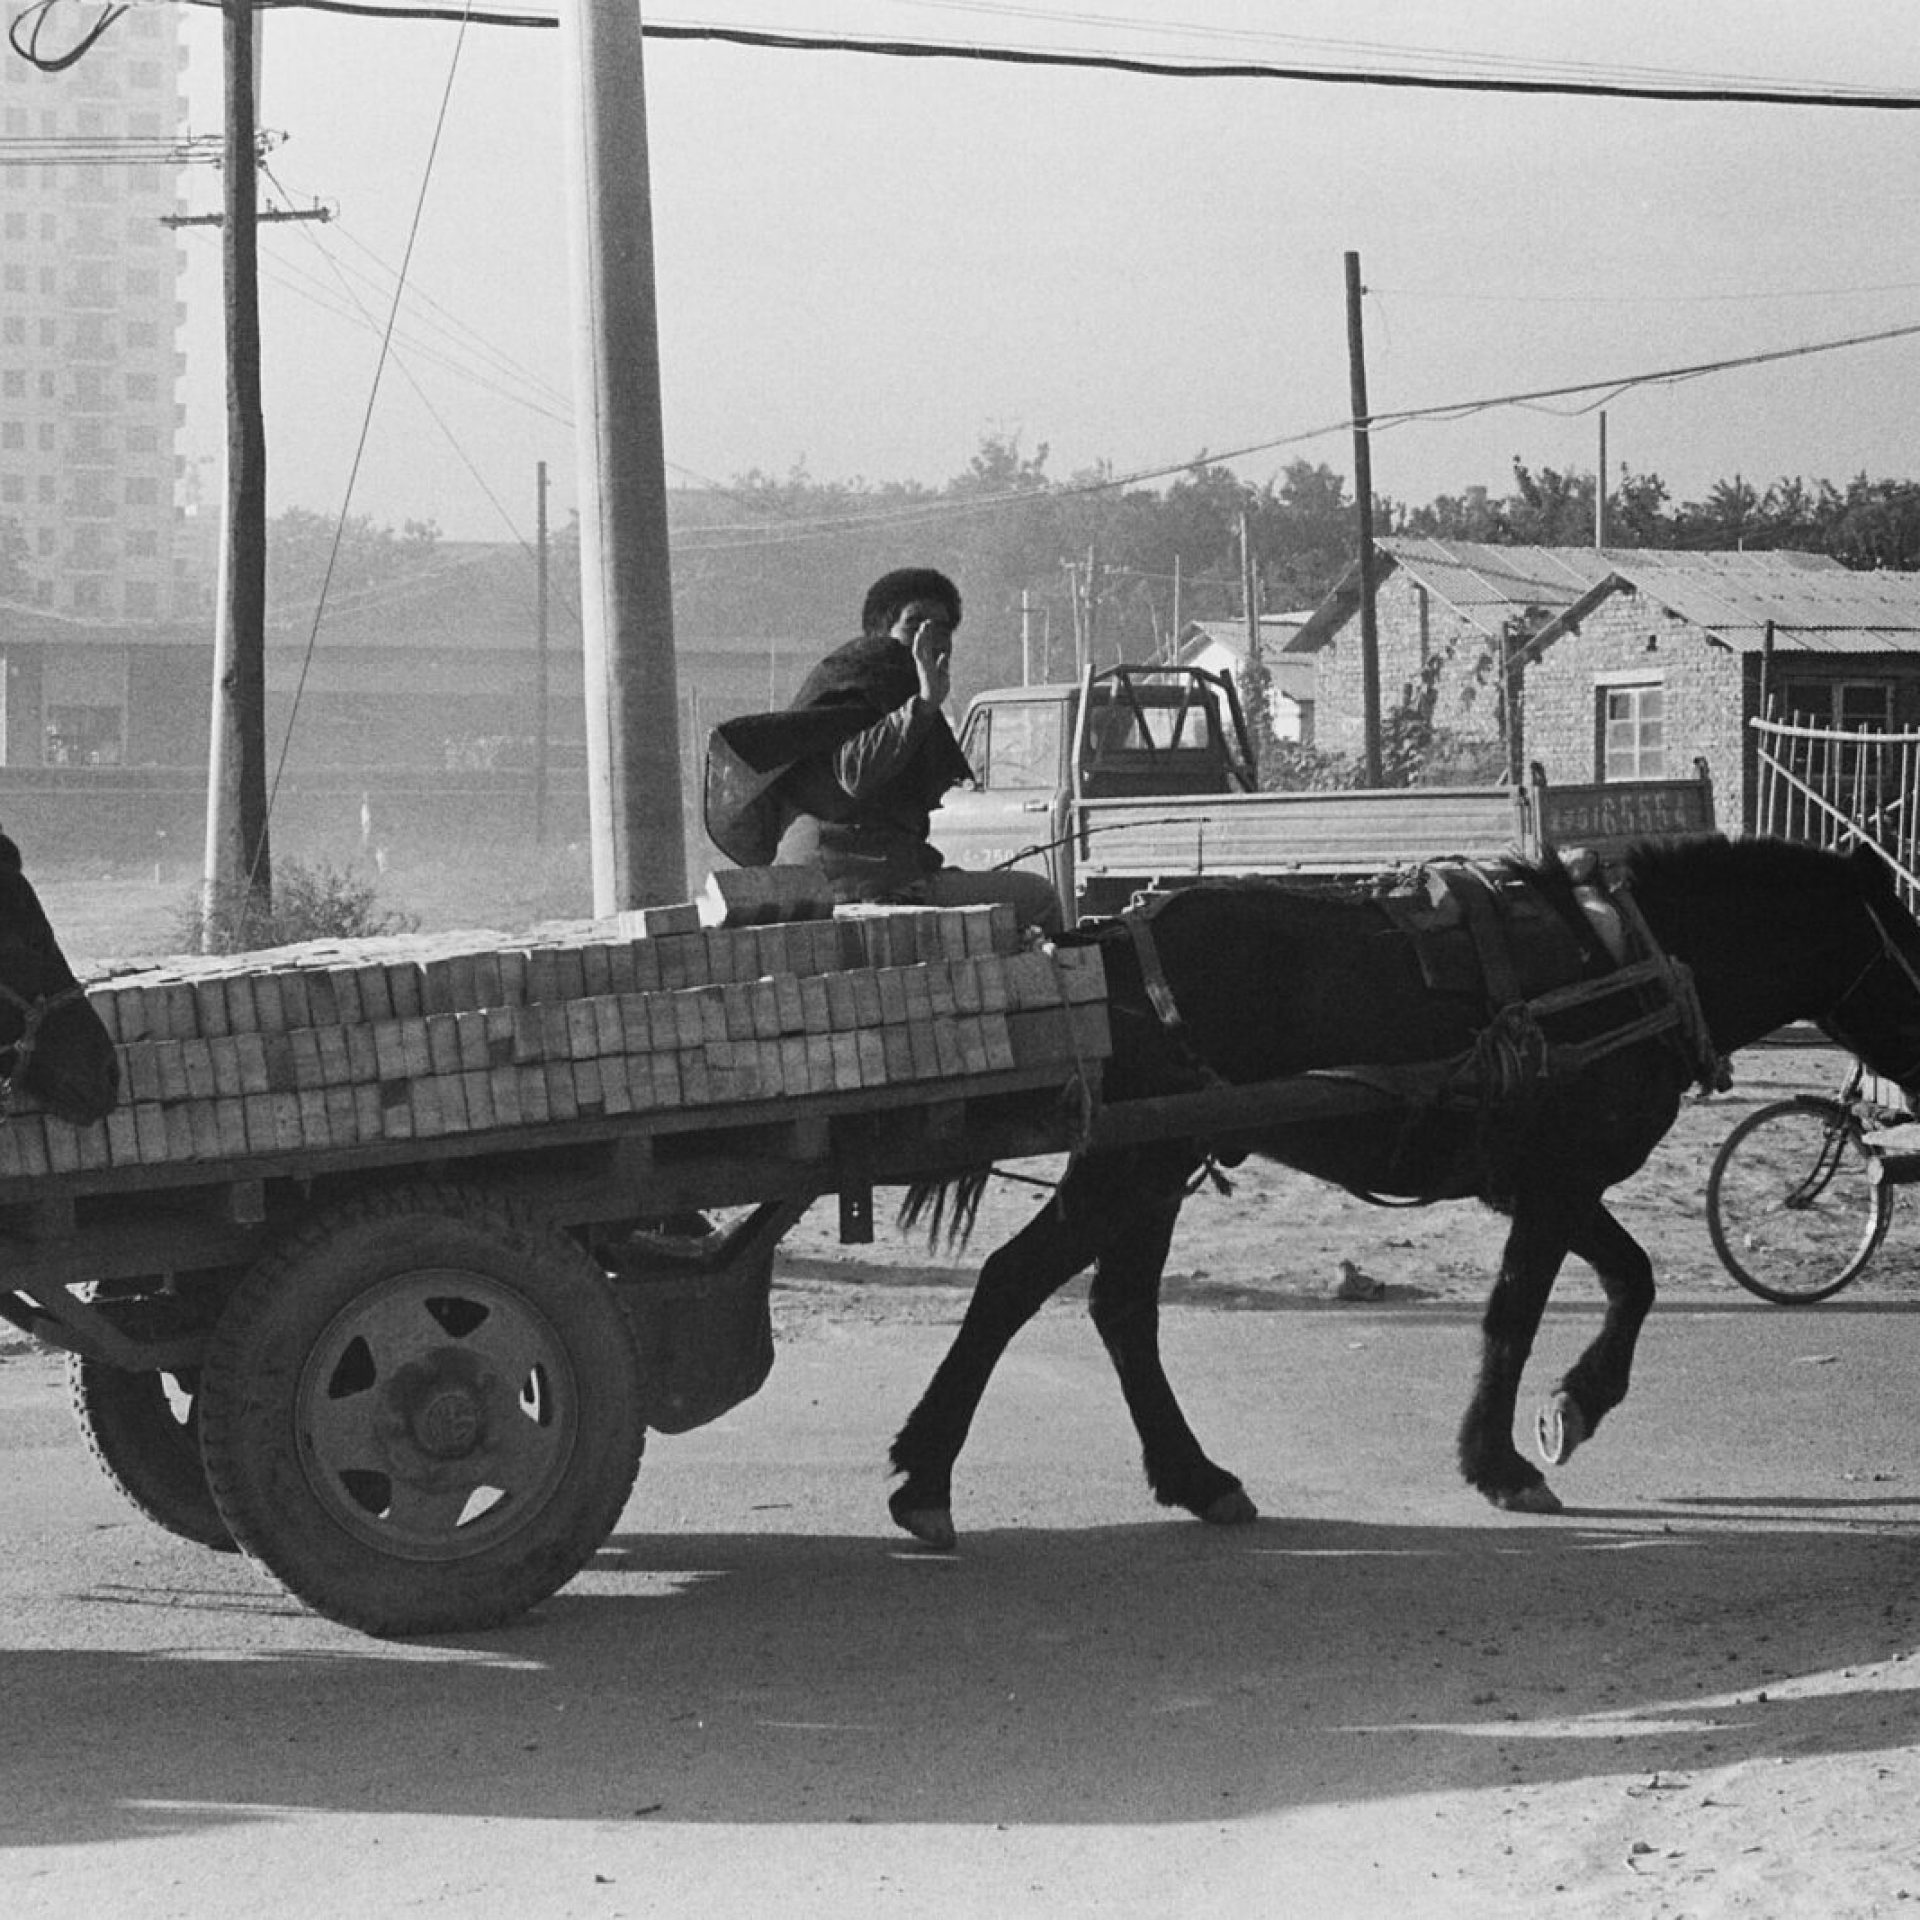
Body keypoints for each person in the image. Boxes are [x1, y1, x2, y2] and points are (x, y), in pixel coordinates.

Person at [705, 568, 1062, 933]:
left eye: (941, 629)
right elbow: (854, 774)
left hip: (870, 873)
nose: (929, 639)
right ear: (880, 633)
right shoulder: (864, 683)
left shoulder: (874, 685)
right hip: (858, 883)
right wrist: (923, 704)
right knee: (1039, 897)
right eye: (914, 626)